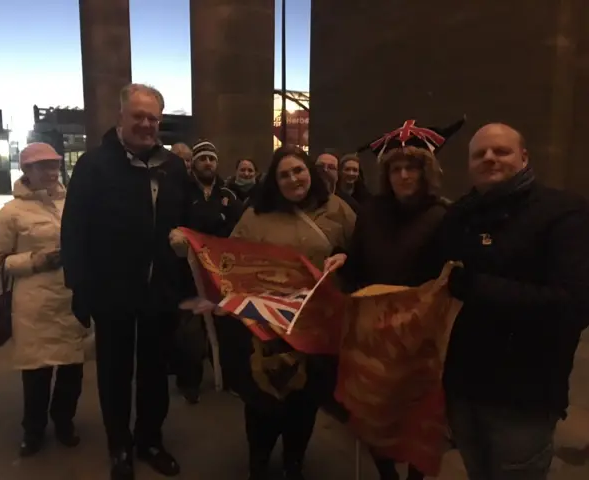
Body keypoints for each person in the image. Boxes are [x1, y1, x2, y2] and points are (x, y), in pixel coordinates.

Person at [430, 123, 589, 480]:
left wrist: (476, 286)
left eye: (500, 151)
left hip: (524, 394)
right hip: (462, 386)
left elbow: (574, 304)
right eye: (480, 154)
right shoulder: (460, 215)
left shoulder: (563, 213)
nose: (489, 158)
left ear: (524, 156)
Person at [61, 84, 193, 480]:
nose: (147, 125)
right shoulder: (93, 165)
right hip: (111, 291)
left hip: (160, 291)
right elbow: (74, 231)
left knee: (154, 371)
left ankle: (150, 439)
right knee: (115, 373)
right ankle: (119, 444)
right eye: (139, 116)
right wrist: (80, 290)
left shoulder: (172, 167)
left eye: (153, 118)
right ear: (120, 117)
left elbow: (185, 220)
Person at [324, 118, 464, 479]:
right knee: (373, 408)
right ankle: (387, 474)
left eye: (412, 168)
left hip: (420, 335)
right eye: (397, 168)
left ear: (425, 172)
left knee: (417, 413)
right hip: (373, 330)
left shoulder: (443, 216)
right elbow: (358, 260)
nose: (404, 175)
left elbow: (449, 278)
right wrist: (343, 257)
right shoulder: (370, 212)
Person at [228, 145, 356, 480]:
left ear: (310, 172)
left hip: (316, 326)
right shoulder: (255, 214)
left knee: (304, 400)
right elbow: (231, 260)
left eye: (298, 170)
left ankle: (294, 462)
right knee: (262, 402)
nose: (292, 178)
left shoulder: (337, 209)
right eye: (284, 174)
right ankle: (259, 461)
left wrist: (345, 257)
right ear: (275, 180)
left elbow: (359, 249)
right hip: (266, 328)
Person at [0, 143, 88, 457]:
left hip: (72, 298)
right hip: (34, 304)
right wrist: (36, 260)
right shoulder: (11, 213)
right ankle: (34, 429)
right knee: (37, 372)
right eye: (43, 166)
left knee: (72, 368)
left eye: (55, 165)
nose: (52, 172)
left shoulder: (74, 203)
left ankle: (64, 422)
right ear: (26, 171)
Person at [171, 139, 244, 404]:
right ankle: (189, 381)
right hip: (189, 274)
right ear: (195, 164)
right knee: (191, 332)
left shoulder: (228, 195)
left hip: (221, 274)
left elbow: (240, 228)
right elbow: (178, 225)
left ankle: (228, 377)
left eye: (212, 159)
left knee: (226, 329)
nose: (207, 163)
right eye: (202, 159)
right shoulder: (182, 194)